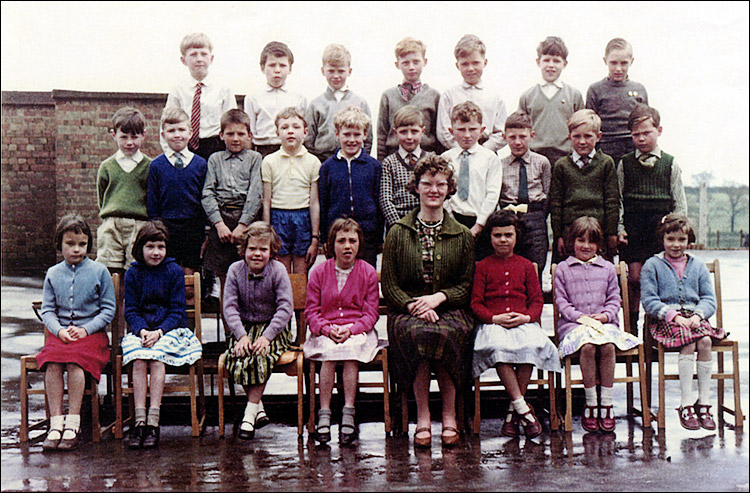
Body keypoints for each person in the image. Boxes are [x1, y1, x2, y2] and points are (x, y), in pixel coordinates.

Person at [381, 154, 475, 448]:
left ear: (449, 189)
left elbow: (466, 285)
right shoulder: (398, 232)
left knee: (446, 334)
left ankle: (449, 415)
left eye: (440, 184)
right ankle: (422, 415)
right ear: (416, 187)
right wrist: (413, 306)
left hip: (449, 308)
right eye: (427, 183)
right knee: (418, 334)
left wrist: (438, 298)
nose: (434, 190)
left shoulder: (462, 234)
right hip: (407, 310)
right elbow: (389, 283)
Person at [471, 210, 561, 439]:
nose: (503, 240)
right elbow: (476, 303)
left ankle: (513, 413)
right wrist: (493, 318)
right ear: (490, 238)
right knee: (499, 350)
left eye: (508, 235)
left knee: (530, 346)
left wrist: (527, 317)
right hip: (494, 324)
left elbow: (537, 301)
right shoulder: (482, 266)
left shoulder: (527, 266)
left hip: (522, 322)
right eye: (498, 235)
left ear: (516, 236)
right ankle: (523, 410)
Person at [553, 216, 639, 433]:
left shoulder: (608, 268)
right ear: (572, 242)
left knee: (608, 346)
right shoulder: (563, 269)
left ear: (599, 245)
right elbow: (561, 302)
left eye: (591, 242)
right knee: (589, 347)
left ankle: (607, 403)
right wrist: (582, 318)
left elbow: (614, 298)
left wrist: (605, 316)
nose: (586, 246)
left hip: (603, 324)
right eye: (581, 240)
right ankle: (591, 403)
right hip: (575, 326)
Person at [38, 214, 116, 451]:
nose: (76, 250)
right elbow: (48, 310)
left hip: (91, 337)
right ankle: (55, 423)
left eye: (82, 245)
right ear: (59, 244)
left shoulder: (99, 271)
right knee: (52, 363)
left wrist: (85, 329)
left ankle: (73, 423)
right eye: (70, 244)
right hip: (62, 336)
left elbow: (108, 310)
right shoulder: (53, 273)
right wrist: (59, 331)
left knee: (74, 363)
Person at [121, 220, 202, 449]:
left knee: (156, 358)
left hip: (169, 330)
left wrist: (159, 331)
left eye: (160, 247)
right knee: (138, 359)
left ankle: (153, 422)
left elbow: (177, 310)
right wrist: (143, 330)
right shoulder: (133, 273)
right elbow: (131, 310)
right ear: (140, 248)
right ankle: (139, 421)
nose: (156, 252)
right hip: (143, 331)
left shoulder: (174, 271)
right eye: (150, 247)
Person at [641, 214, 724, 431]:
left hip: (695, 319)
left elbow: (708, 298)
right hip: (666, 320)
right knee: (687, 342)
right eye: (670, 239)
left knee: (705, 341)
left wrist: (698, 315)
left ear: (688, 240)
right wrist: (674, 316)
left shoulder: (697, 265)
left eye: (681, 240)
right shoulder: (652, 265)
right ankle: (686, 403)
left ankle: (703, 402)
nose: (676, 245)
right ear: (663, 239)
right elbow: (649, 300)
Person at [304, 218, 381, 445]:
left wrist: (352, 329)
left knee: (350, 352)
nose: (347, 246)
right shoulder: (319, 272)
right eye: (341, 241)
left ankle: (349, 410)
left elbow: (370, 313)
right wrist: (326, 329)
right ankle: (324, 413)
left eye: (352, 241)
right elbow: (311, 311)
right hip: (326, 331)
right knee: (329, 353)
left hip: (357, 330)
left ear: (359, 244)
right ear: (331, 245)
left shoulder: (367, 272)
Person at [617, 104, 687, 336]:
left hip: (659, 229)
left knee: (655, 280)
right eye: (635, 134)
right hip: (634, 228)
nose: (640, 138)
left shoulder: (670, 163)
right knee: (635, 278)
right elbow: (617, 199)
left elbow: (679, 202)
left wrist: (677, 230)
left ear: (659, 130)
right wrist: (620, 228)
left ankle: (653, 327)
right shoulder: (625, 163)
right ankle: (631, 327)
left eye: (646, 132)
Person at [222, 222, 294, 440]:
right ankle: (258, 408)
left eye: (263, 249)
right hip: (244, 328)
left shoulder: (278, 270)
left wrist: (266, 337)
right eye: (252, 248)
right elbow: (230, 307)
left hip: (273, 328)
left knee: (260, 356)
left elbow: (285, 308)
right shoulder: (235, 270)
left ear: (271, 252)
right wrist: (241, 336)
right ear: (244, 249)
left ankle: (249, 415)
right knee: (239, 355)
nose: (257, 254)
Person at [202, 108, 263, 313]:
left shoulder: (255, 159)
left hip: (246, 222)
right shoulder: (215, 159)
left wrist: (243, 226)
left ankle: (247, 330)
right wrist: (218, 225)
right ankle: (229, 337)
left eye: (240, 134)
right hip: (221, 222)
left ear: (249, 136)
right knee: (225, 280)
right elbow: (208, 193)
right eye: (230, 133)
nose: (235, 138)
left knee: (248, 278)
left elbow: (256, 194)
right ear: (221, 135)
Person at [147, 106, 208, 297]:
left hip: (193, 228)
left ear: (190, 133)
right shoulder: (156, 165)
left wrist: (205, 229)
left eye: (181, 130)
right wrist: (156, 228)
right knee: (167, 278)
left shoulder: (200, 164)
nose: (177, 135)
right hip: (166, 228)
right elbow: (152, 201)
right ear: (163, 134)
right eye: (172, 131)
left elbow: (205, 198)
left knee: (190, 283)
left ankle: (190, 326)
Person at [549, 109, 618, 264]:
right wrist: (558, 236)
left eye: (588, 136)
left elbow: (612, 201)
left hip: (598, 230)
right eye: (576, 136)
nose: (582, 141)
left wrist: (611, 233)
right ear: (569, 137)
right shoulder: (562, 165)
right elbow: (556, 203)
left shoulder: (606, 163)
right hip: (570, 231)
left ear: (598, 136)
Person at [318, 106, 383, 268]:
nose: (351, 140)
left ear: (365, 135)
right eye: (346, 134)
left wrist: (379, 237)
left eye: (357, 135)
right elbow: (323, 204)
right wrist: (325, 237)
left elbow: (379, 203)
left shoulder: (374, 166)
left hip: (367, 234)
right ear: (337, 134)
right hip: (337, 235)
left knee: (366, 276)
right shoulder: (327, 167)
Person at [261, 107, 321, 276]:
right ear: (277, 132)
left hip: (303, 218)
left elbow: (315, 202)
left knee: (301, 274)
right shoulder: (269, 161)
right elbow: (266, 200)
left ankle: (300, 303)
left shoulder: (313, 162)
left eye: (296, 127)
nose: (290, 131)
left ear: (306, 132)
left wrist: (315, 237)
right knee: (282, 272)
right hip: (278, 218)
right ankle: (284, 303)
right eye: (285, 127)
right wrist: (267, 232)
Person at [495, 111, 551, 283]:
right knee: (512, 263)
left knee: (537, 263)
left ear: (532, 135)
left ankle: (535, 306)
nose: (517, 142)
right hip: (510, 217)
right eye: (512, 137)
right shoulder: (499, 164)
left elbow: (548, 193)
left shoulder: (542, 162)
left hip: (535, 216)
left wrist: (540, 216)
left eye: (522, 136)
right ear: (504, 137)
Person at [162, 33, 236, 160]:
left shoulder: (223, 89)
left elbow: (232, 122)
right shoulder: (178, 90)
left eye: (203, 54)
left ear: (211, 58)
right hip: (187, 145)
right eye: (193, 54)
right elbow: (167, 122)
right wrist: (170, 154)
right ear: (183, 60)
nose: (199, 59)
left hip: (216, 146)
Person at [96, 107, 152, 277]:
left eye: (134, 137)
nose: (129, 142)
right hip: (111, 224)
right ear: (114, 135)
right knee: (110, 271)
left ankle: (131, 304)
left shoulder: (150, 166)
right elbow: (102, 196)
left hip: (139, 224)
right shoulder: (107, 166)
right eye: (124, 137)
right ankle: (113, 304)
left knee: (135, 270)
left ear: (143, 135)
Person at [518, 36, 584, 167]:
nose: (551, 65)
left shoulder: (574, 95)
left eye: (556, 61)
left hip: (566, 159)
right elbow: (520, 130)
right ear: (538, 62)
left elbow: (582, 128)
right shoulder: (528, 96)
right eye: (546, 60)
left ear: (564, 64)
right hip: (534, 159)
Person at [441, 101, 502, 241]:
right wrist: (451, 221)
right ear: (451, 131)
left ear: (482, 130)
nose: (467, 135)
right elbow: (443, 193)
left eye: (472, 129)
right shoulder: (445, 158)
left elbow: (492, 194)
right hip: (452, 221)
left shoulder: (490, 158)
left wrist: (479, 225)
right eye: (461, 129)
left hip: (481, 222)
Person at [437, 34, 506, 153]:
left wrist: (483, 150)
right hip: (456, 151)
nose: (470, 68)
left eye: (475, 63)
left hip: (486, 151)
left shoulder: (494, 96)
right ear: (457, 65)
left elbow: (501, 131)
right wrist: (459, 149)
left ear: (484, 62)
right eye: (465, 64)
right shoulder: (449, 95)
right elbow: (443, 131)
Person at [305, 43, 373, 162]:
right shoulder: (315, 105)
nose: (336, 76)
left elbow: (368, 138)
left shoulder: (360, 102)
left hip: (353, 160)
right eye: (331, 71)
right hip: (323, 160)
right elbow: (309, 139)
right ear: (323, 71)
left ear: (349, 71)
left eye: (341, 71)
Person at [377, 37, 442, 160]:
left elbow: (438, 135)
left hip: (426, 158)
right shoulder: (388, 96)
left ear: (425, 62)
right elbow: (382, 135)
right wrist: (381, 163)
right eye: (406, 63)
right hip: (394, 159)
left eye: (416, 62)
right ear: (397, 64)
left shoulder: (434, 96)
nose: (411, 67)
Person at [586, 37, 648, 165]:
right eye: (613, 63)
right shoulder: (595, 90)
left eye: (624, 63)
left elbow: (646, 123)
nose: (618, 68)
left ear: (632, 61)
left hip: (633, 148)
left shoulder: (639, 89)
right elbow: (589, 126)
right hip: (604, 148)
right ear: (605, 61)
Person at [245, 41, 307, 158]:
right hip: (263, 150)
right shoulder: (253, 97)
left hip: (292, 150)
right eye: (272, 65)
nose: (277, 70)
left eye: (282, 65)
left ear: (290, 69)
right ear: (262, 68)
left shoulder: (299, 97)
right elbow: (250, 134)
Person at [379, 105, 431, 231]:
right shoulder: (389, 163)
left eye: (414, 131)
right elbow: (385, 199)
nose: (409, 137)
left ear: (422, 132)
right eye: (403, 132)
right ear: (395, 132)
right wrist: (399, 227)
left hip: (425, 222)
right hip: (398, 223)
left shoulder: (430, 160)